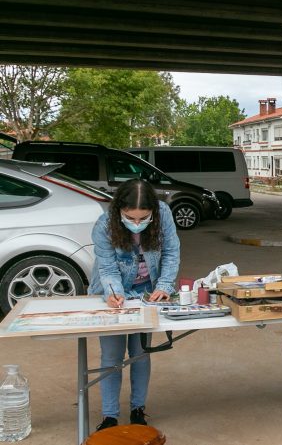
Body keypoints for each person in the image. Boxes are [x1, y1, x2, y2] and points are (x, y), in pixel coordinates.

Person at [87, 179, 180, 431]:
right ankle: (110, 416)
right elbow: (106, 266)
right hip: (112, 293)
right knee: (112, 356)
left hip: (146, 294)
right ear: (119, 210)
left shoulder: (164, 215)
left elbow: (171, 252)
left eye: (143, 218)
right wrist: (115, 292)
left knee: (139, 354)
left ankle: (138, 409)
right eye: (130, 218)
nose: (137, 224)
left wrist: (164, 285)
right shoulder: (104, 224)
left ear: (153, 211)